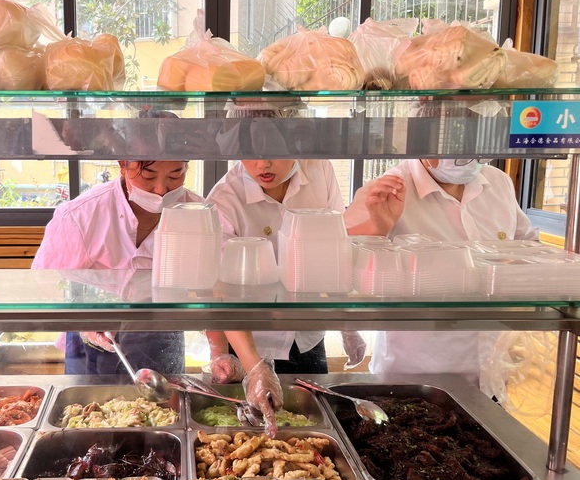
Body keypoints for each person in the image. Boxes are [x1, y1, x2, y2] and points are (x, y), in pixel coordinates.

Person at [31, 159, 283, 430]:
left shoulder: (204, 216)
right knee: (87, 425)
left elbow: (219, 293)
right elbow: (51, 286)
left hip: (161, 341)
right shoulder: (80, 215)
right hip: (91, 351)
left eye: (176, 175)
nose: (162, 189)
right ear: (123, 165)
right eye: (148, 175)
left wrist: (221, 354)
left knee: (162, 423)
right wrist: (84, 321)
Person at [343, 157, 540, 390]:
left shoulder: (498, 182)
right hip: (415, 374)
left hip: (491, 371)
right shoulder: (385, 191)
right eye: (459, 149)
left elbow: (528, 246)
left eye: (480, 149)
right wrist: (378, 230)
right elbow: (341, 269)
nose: (470, 159)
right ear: (427, 139)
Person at [204, 150, 391, 380]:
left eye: (275, 149)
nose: (264, 163)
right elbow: (221, 293)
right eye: (249, 152)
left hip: (308, 335)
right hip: (251, 343)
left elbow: (335, 250)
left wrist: (346, 323)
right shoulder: (224, 199)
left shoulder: (319, 170)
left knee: (310, 411)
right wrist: (238, 362)